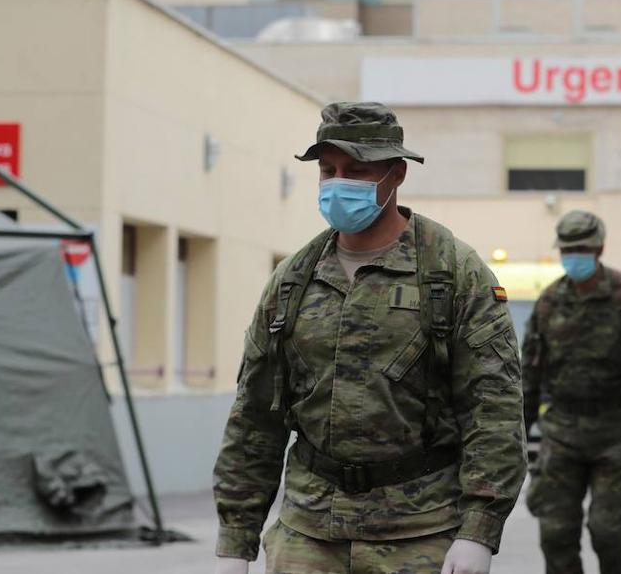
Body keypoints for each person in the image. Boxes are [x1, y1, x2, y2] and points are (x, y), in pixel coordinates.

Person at [212, 103, 526, 574]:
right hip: (308, 532)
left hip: (419, 531)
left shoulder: (451, 272)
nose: (339, 183)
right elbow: (255, 416)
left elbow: (493, 409)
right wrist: (236, 541)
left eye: (357, 170)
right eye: (328, 170)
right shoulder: (293, 279)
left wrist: (479, 529)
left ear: (396, 174)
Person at [521, 210, 621, 574]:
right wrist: (520, 428)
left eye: (582, 248)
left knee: (608, 530)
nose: (574, 255)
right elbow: (529, 371)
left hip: (613, 430)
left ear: (600, 248)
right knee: (555, 531)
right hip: (561, 431)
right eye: (568, 248)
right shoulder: (549, 302)